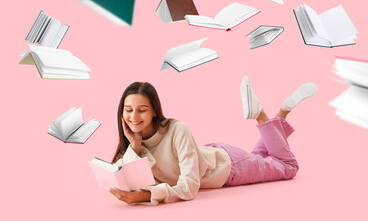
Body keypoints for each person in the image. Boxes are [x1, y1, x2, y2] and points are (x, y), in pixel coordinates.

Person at [109, 76, 318, 205]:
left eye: (141, 110)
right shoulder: (133, 142)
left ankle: (261, 114)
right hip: (217, 158)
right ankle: (284, 111)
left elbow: (189, 187)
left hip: (229, 169)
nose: (133, 117)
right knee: (262, 157)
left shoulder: (176, 129)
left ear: (154, 111)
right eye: (128, 110)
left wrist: (147, 196)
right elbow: (130, 180)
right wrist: (134, 147)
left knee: (288, 167)